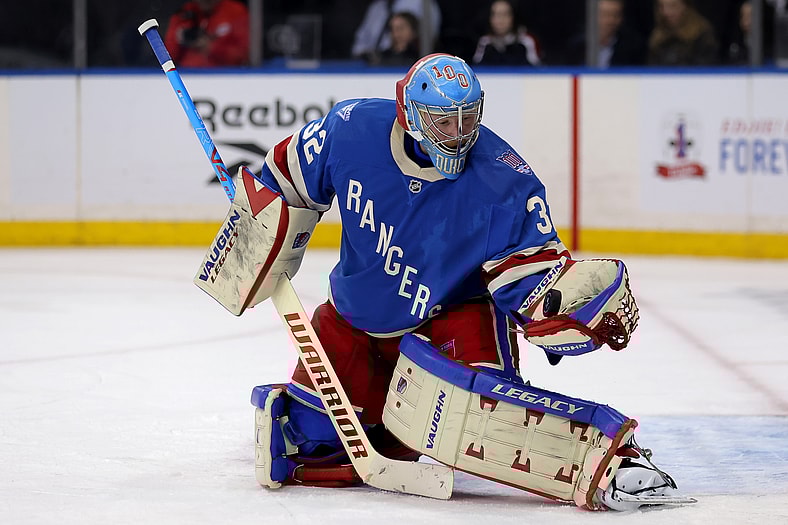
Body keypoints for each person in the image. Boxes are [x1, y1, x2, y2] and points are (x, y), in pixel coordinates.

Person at [229, 54, 686, 509]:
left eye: (468, 118)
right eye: (444, 121)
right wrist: (258, 223)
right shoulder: (352, 130)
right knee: (312, 446)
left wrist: (555, 310)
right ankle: (373, 423)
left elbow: (531, 276)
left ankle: (614, 463)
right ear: (410, 115)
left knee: (491, 423)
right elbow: (286, 175)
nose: (459, 133)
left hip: (451, 318)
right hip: (354, 320)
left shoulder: (503, 179)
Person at [164, 0, 249, 68]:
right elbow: (167, 57)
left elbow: (244, 54)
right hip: (188, 74)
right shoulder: (185, 13)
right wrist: (180, 38)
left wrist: (210, 47)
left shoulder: (235, 12)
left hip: (226, 74)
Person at [351, 0, 441, 61]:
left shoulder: (422, 3)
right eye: (392, 29)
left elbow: (430, 39)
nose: (396, 34)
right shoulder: (377, 7)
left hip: (413, 60)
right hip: (379, 63)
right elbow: (360, 43)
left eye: (400, 29)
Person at [565, 0, 647, 67]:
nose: (610, 21)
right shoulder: (576, 46)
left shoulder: (632, 47)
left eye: (615, 15)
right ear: (593, 16)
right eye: (605, 15)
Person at [648, 0, 719, 65]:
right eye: (661, 6)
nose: (666, 12)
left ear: (686, 6)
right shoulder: (657, 35)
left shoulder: (702, 34)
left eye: (673, 6)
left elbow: (706, 67)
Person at [472, 0, 541, 66]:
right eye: (495, 15)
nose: (500, 20)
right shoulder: (485, 42)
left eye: (505, 14)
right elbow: (476, 70)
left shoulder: (527, 41)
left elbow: (539, 71)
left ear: (513, 17)